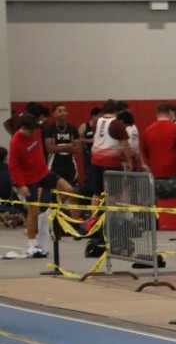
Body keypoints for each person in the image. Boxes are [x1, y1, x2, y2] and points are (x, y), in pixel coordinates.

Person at [5, 112, 81, 258]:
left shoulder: (38, 130)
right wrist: (21, 185)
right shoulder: (16, 141)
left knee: (68, 189)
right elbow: (13, 167)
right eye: (31, 131)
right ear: (24, 128)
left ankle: (48, 213)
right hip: (28, 179)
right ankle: (32, 244)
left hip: (43, 172)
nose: (34, 133)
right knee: (33, 212)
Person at [89, 100, 134, 203]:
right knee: (114, 193)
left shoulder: (97, 122)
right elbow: (125, 145)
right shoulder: (117, 124)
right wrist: (129, 161)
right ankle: (112, 214)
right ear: (116, 111)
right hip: (111, 164)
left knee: (96, 193)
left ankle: (94, 213)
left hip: (95, 162)